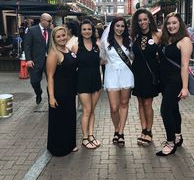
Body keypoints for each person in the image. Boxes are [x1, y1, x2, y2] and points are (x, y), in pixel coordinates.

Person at [156, 12, 192, 156]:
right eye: (169, 23)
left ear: (180, 24)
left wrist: (184, 87)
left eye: (174, 23)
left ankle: (170, 143)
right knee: (173, 109)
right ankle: (177, 136)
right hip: (164, 81)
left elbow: (184, 66)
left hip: (175, 81)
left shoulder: (185, 41)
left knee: (165, 110)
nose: (171, 26)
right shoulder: (166, 39)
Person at [100, 17, 134, 147]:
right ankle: (116, 128)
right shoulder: (105, 41)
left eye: (122, 26)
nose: (120, 29)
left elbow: (132, 57)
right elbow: (102, 59)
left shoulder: (128, 41)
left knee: (124, 104)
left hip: (126, 73)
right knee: (114, 107)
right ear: (113, 26)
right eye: (117, 26)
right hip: (112, 74)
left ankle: (120, 132)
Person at [131, 8, 161, 146]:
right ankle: (143, 129)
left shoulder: (157, 35)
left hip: (150, 74)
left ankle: (149, 131)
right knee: (140, 103)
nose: (142, 22)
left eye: (144, 19)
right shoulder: (135, 36)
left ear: (149, 19)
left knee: (148, 103)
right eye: (140, 20)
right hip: (137, 73)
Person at [46, 26, 78, 156]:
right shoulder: (53, 54)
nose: (61, 38)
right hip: (59, 92)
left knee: (70, 118)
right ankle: (58, 147)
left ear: (67, 35)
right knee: (59, 121)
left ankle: (70, 144)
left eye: (63, 35)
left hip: (70, 92)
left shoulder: (69, 50)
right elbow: (50, 77)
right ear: (54, 39)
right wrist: (51, 97)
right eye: (58, 37)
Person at [73, 19, 102, 149]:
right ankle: (84, 138)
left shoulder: (97, 45)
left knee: (92, 111)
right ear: (80, 31)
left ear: (93, 30)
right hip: (82, 81)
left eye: (89, 29)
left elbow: (103, 61)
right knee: (87, 110)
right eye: (84, 29)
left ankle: (91, 135)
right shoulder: (75, 46)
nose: (87, 31)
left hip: (96, 80)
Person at [24, 13, 52, 105]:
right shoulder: (32, 30)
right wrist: (28, 59)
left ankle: (50, 97)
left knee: (51, 80)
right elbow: (27, 45)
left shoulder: (51, 31)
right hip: (35, 61)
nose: (51, 23)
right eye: (49, 21)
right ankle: (38, 93)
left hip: (49, 61)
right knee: (34, 81)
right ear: (42, 20)